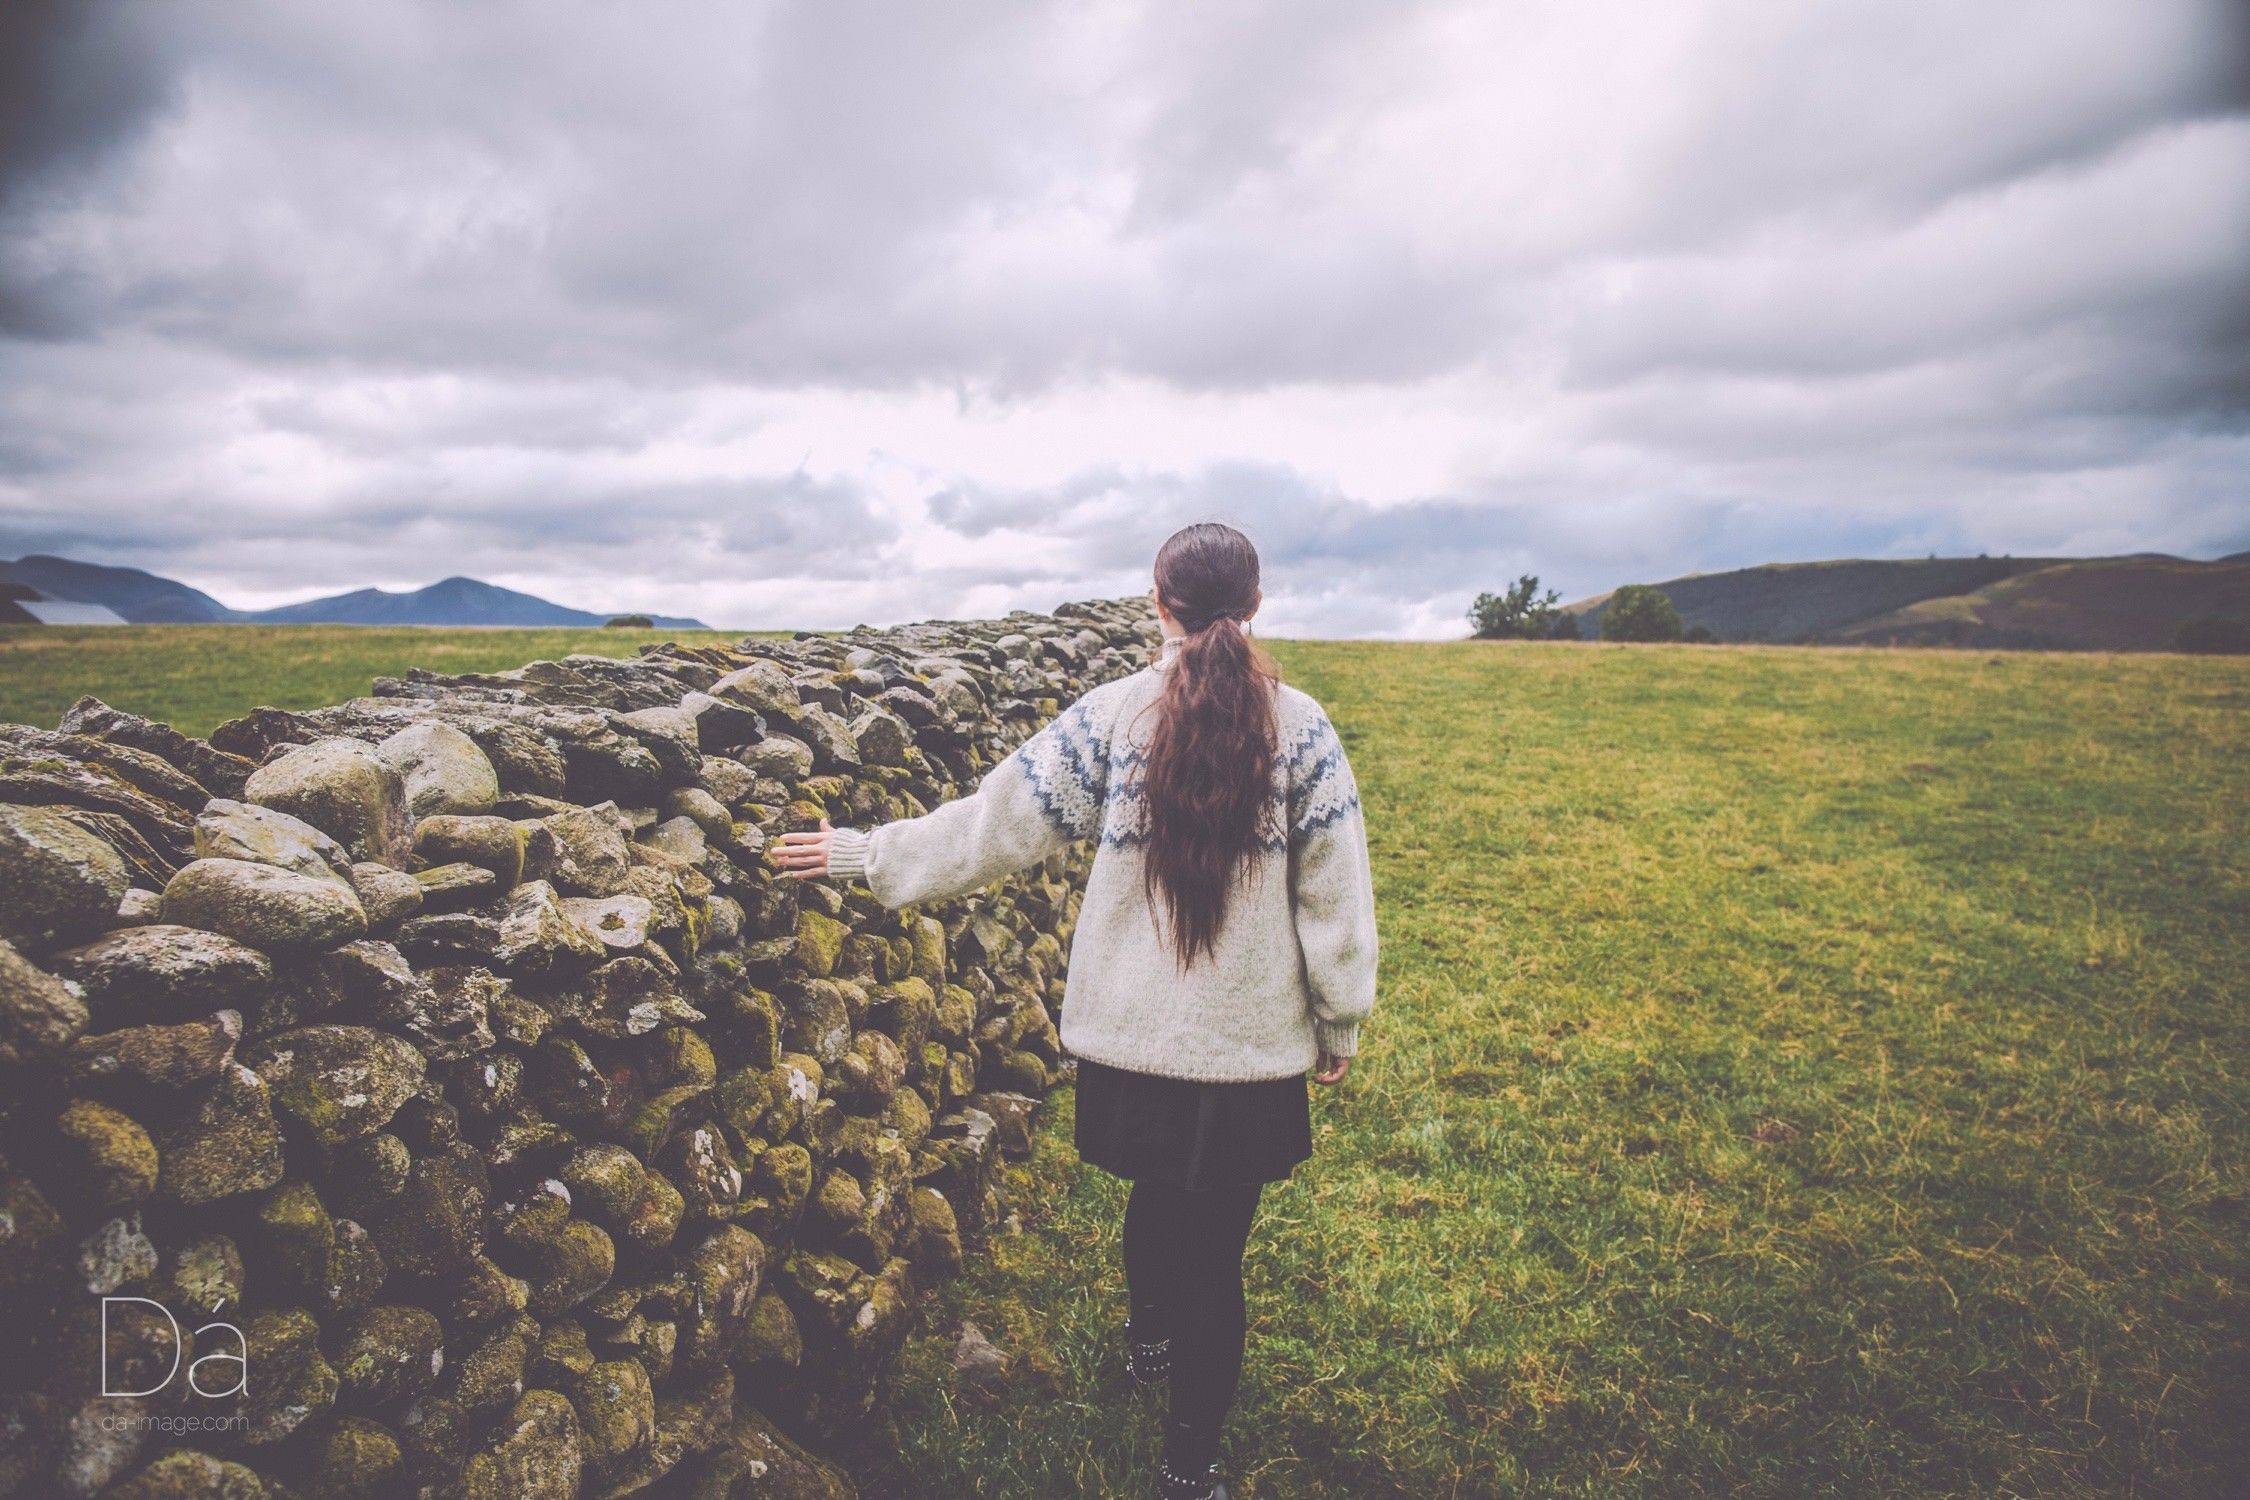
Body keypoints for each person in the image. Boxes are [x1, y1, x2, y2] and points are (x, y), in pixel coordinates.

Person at [771, 521, 1378, 1500]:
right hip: (1251, 1054)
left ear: (1158, 602)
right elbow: (1334, 894)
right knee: (1216, 1252)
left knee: (1155, 1196)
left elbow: (988, 830)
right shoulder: (1303, 730)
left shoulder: (1109, 720)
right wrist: (1340, 1020)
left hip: (1134, 1049)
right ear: (1256, 605)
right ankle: (1190, 1466)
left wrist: (856, 852)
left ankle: (1147, 1346)